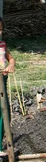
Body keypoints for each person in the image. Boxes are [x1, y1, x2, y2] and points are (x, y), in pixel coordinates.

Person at [0, 18, 15, 148]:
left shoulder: (2, 45)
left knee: (5, 113)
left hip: (2, 82)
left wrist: (11, 65)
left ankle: (1, 143)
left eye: (0, 29)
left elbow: (11, 59)